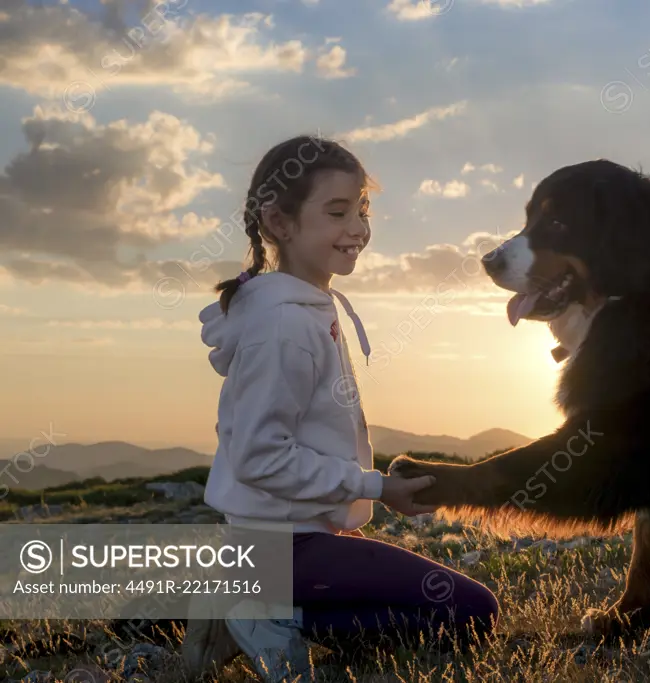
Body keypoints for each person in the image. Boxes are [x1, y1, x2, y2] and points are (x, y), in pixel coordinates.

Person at [184, 134, 500, 682]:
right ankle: (263, 612)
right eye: (337, 212)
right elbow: (260, 457)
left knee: (451, 608)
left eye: (362, 209)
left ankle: (262, 606)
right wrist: (374, 486)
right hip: (278, 548)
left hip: (292, 539)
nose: (358, 228)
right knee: (470, 612)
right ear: (279, 223)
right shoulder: (284, 325)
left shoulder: (304, 306)